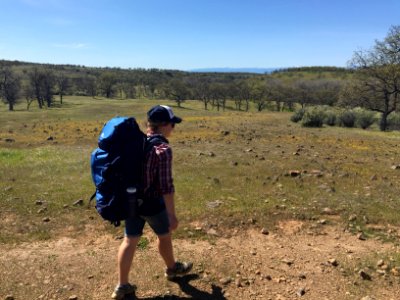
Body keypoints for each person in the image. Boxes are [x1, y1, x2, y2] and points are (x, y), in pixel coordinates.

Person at [112, 105, 193, 299]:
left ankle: (122, 285)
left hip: (131, 201)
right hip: (152, 204)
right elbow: (166, 186)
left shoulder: (136, 144)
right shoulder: (163, 150)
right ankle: (172, 269)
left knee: (129, 241)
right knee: (164, 236)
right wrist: (172, 215)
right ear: (164, 125)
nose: (173, 128)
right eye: (172, 125)